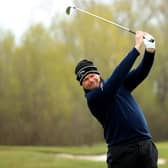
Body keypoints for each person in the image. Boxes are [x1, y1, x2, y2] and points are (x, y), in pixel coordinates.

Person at [74, 31, 158, 168]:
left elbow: (141, 72)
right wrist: (136, 49)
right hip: (122, 153)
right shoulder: (93, 99)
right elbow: (117, 77)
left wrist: (150, 50)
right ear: (82, 85)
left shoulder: (118, 85)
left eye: (92, 75)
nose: (90, 80)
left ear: (98, 74)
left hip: (146, 146)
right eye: (85, 79)